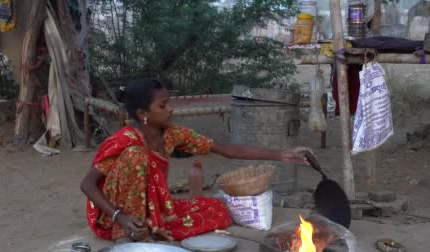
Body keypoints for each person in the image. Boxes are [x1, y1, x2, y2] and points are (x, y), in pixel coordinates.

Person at [80, 78, 310, 243]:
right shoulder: (124, 139)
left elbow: (225, 149)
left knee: (219, 210)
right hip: (116, 216)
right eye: (163, 105)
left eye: (169, 102)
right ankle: (127, 233)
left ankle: (149, 228)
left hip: (153, 210)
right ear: (142, 114)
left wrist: (281, 154)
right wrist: (120, 216)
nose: (170, 110)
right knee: (136, 155)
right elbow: (87, 185)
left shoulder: (172, 134)